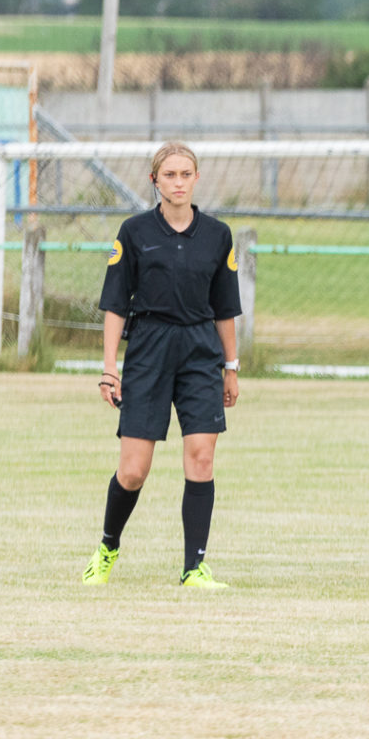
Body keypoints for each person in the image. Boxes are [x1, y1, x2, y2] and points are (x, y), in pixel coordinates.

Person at [88, 142, 241, 588]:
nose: (178, 182)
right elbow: (115, 305)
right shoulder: (135, 232)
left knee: (201, 457)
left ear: (196, 179)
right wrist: (110, 368)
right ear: (155, 181)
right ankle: (108, 546)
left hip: (199, 351)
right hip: (149, 349)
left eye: (185, 174)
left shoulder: (218, 235)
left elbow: (225, 309)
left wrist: (231, 366)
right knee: (134, 469)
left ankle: (194, 567)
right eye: (169, 175)